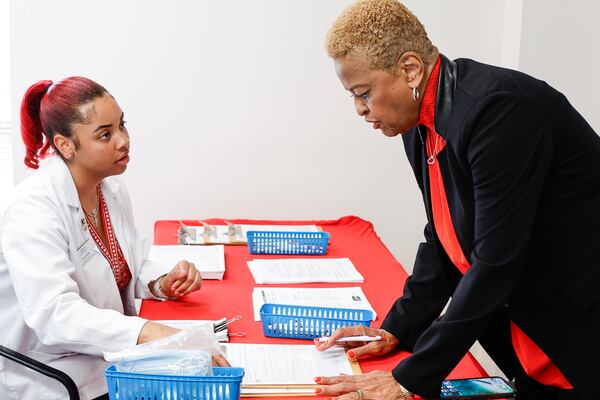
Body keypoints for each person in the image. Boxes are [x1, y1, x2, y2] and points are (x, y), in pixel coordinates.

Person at [315, 1, 600, 399]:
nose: (360, 109)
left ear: (410, 69)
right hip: (531, 323)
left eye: (363, 93)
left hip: (581, 324)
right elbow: (445, 236)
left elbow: (496, 260)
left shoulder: (497, 110)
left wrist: (407, 377)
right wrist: (397, 328)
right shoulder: (419, 124)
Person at [0, 77, 212, 400]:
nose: (123, 140)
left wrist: (161, 282)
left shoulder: (109, 188)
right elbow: (56, 315)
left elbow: (125, 263)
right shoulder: (32, 209)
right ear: (65, 144)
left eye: (122, 126)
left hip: (104, 354)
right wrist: (148, 332)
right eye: (105, 134)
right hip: (54, 372)